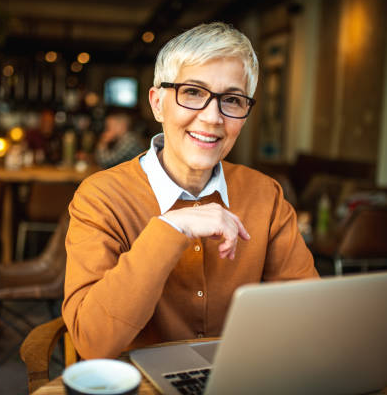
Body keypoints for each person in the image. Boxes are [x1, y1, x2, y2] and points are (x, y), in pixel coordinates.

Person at [62, 22, 319, 360]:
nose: (213, 117)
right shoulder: (100, 197)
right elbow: (92, 341)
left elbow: (308, 317)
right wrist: (173, 228)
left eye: (231, 99)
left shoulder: (265, 195)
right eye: (193, 92)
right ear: (157, 104)